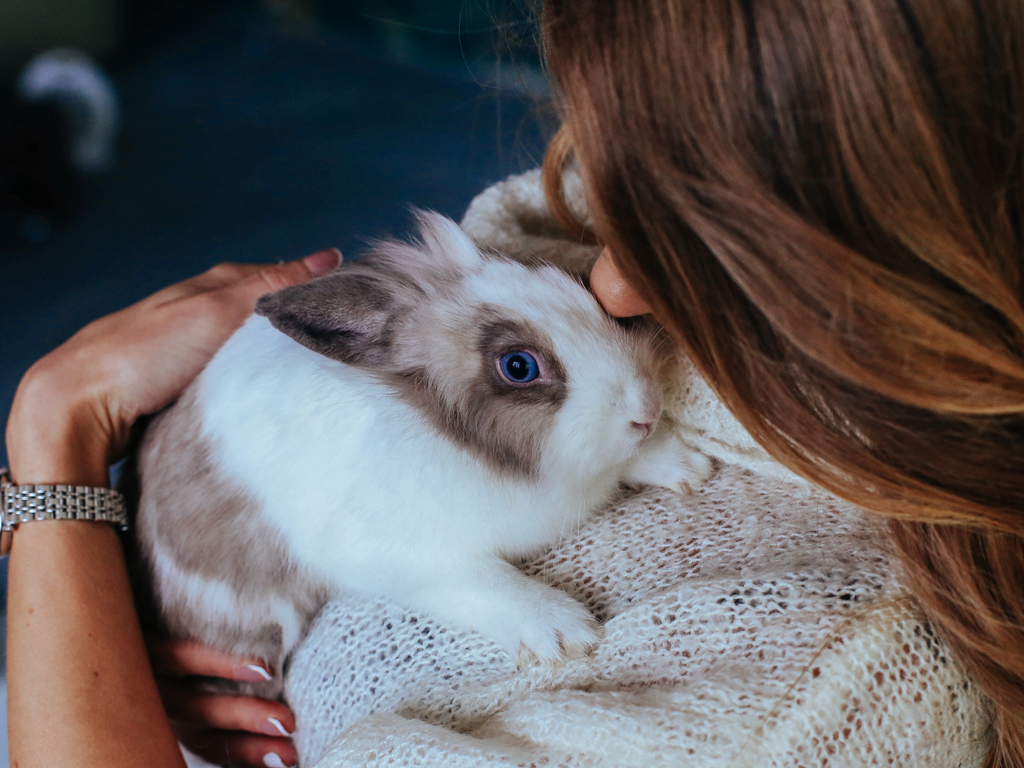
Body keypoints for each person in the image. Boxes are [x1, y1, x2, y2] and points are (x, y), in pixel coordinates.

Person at [6, 0, 1024, 766]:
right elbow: (516, 233)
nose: (610, 280)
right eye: (616, 170)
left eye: (705, 231)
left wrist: (58, 438)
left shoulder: (798, 695)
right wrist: (111, 600)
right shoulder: (630, 274)